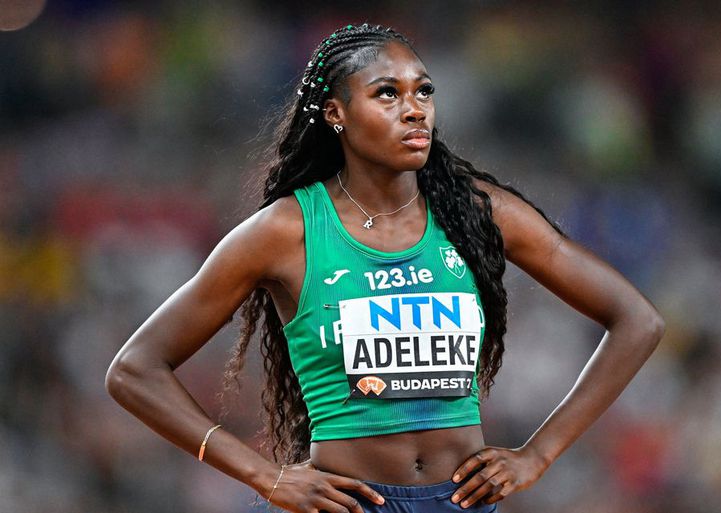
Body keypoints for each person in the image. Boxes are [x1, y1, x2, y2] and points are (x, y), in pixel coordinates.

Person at [105, 23, 665, 513]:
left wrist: (539, 454)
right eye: (387, 94)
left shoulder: (478, 213)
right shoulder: (286, 231)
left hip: (460, 505)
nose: (414, 108)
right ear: (336, 113)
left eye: (424, 91)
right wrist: (264, 475)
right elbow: (135, 370)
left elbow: (637, 319)